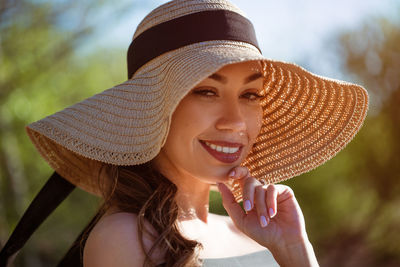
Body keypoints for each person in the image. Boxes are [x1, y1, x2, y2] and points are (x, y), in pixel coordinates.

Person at [21, 0, 368, 266]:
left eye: (250, 95)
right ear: (151, 107)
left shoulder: (258, 233)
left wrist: (295, 251)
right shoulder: (127, 238)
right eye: (206, 91)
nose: (235, 122)